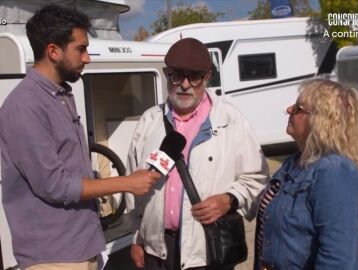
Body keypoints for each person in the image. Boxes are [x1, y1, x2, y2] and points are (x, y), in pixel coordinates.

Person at [0, 5, 160, 270]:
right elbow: (55, 186)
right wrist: (126, 183)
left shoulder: (61, 95)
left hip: (81, 247)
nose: (87, 58)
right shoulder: (25, 107)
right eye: (81, 49)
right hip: (54, 257)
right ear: (53, 51)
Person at [126, 37, 269, 270]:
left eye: (194, 77)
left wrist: (229, 199)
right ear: (166, 74)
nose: (184, 84)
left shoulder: (230, 120)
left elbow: (258, 178)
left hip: (206, 252)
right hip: (157, 251)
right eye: (176, 75)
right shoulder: (149, 121)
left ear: (207, 78)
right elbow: (133, 188)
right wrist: (137, 238)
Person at [254, 78, 358, 270]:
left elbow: (339, 259)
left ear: (320, 120)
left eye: (298, 108)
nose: (288, 110)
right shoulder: (294, 162)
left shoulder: (334, 172)